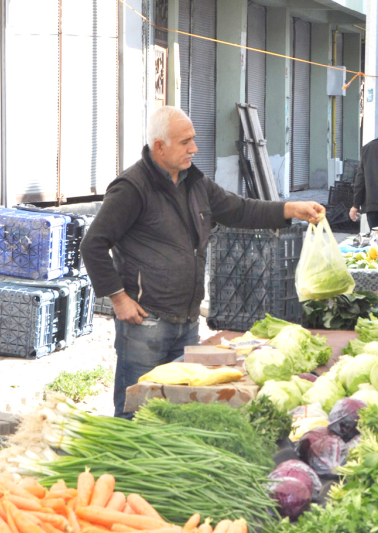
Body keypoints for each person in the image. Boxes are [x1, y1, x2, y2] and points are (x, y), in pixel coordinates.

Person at [80, 106, 325, 418]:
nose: (194, 148)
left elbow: (240, 210)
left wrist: (290, 209)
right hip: (145, 323)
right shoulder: (132, 188)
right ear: (160, 147)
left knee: (178, 410)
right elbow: (94, 244)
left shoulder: (195, 183)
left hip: (187, 321)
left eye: (193, 140)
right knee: (136, 411)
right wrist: (119, 299)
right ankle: (124, 465)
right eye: (185, 142)